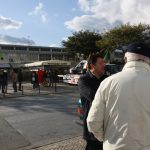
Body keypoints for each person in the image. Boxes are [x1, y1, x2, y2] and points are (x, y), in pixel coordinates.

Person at [87, 42, 150, 150]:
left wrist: (106, 139)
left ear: (125, 58)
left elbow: (92, 121)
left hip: (114, 146)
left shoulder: (108, 82)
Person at [78, 53, 108, 150]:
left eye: (104, 62)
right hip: (92, 125)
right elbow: (94, 96)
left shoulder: (106, 79)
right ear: (92, 65)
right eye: (100, 63)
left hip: (107, 123)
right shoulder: (84, 79)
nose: (104, 65)